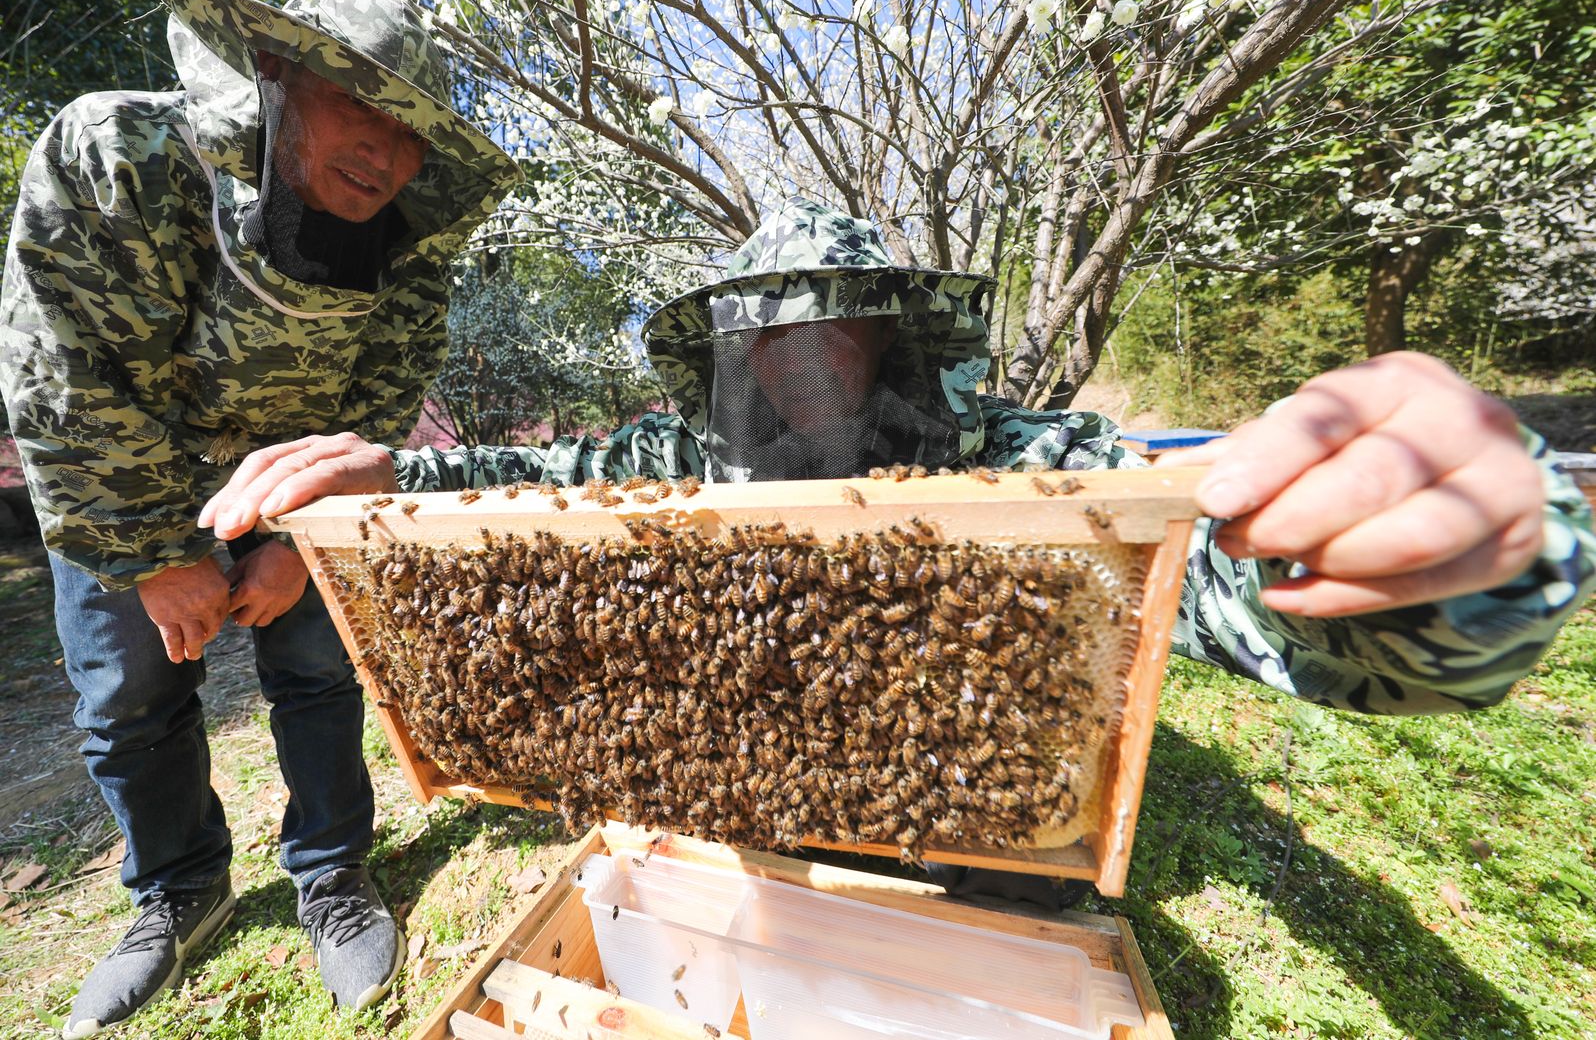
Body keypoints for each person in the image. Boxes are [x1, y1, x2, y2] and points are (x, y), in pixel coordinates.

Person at [202, 198, 1594, 895]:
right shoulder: (670, 466)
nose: (804, 362)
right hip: (726, 835)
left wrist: (1475, 572)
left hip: (958, 854)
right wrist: (401, 475)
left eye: (837, 328)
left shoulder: (1027, 472)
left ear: (897, 339)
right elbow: (528, 483)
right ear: (732, 354)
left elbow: (1261, 590)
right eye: (771, 337)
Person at [0, 0, 519, 1036]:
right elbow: (58, 369)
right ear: (276, 71)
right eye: (358, 106)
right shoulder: (117, 153)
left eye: (412, 132)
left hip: (298, 490)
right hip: (125, 479)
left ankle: (334, 873)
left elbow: (384, 390)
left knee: (321, 672)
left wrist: (295, 538)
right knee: (126, 700)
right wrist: (152, 553)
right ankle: (180, 892)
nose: (385, 151)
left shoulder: (410, 234)